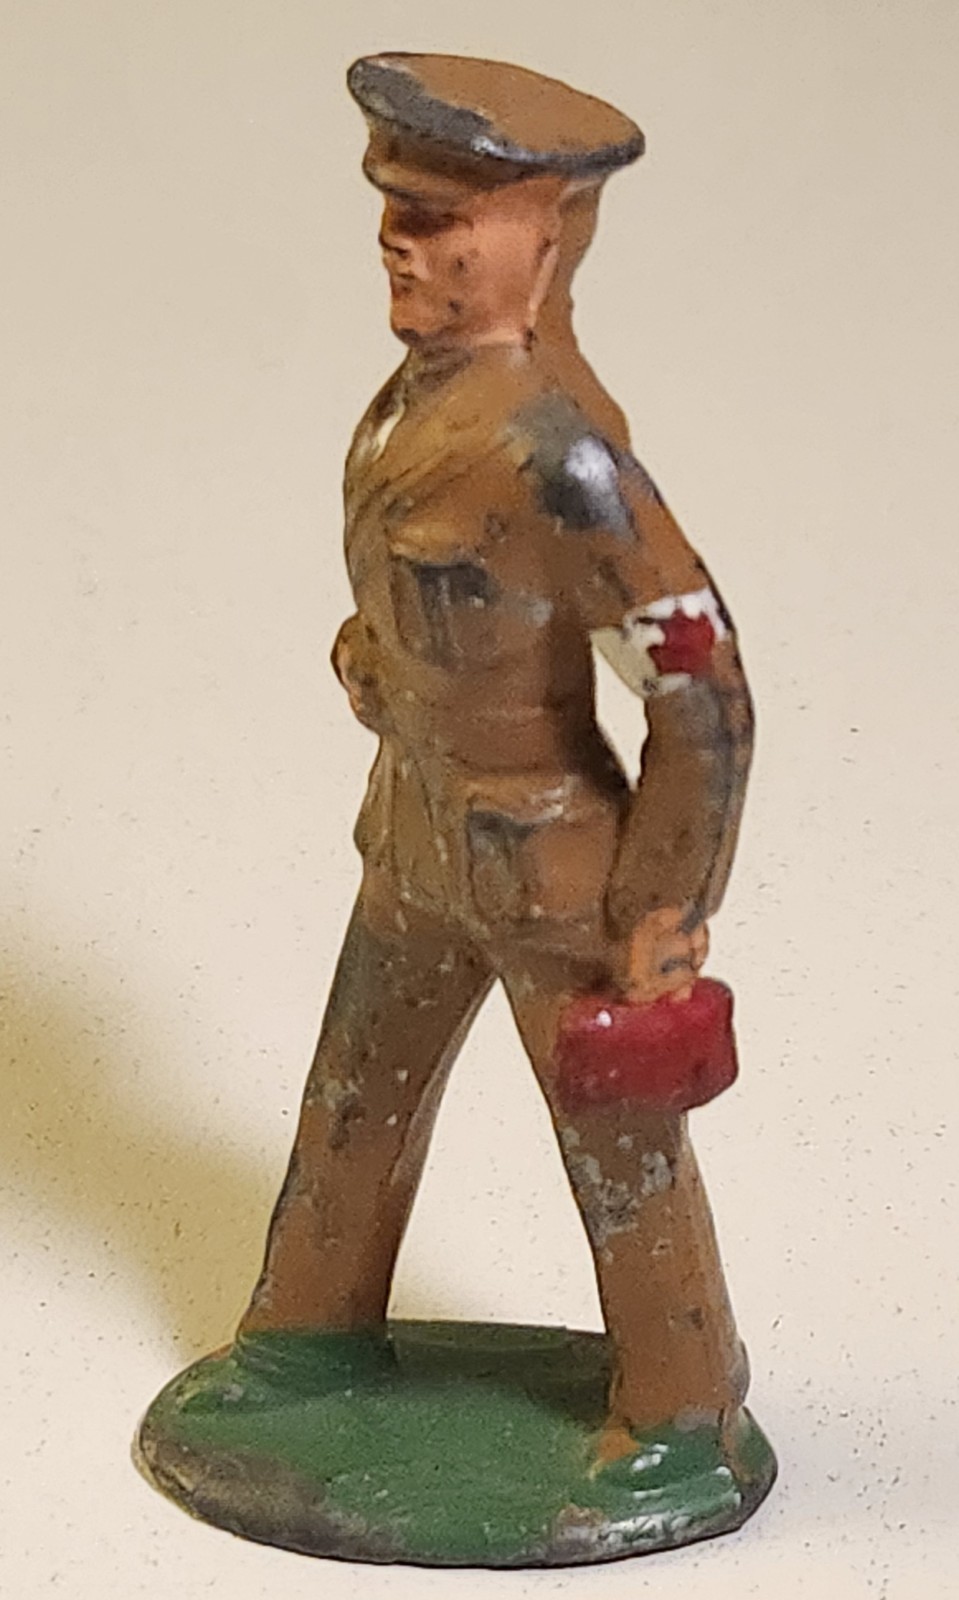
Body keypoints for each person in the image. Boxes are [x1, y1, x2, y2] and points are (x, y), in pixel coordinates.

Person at [238, 52, 755, 1467]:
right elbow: (456, 601)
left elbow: (703, 692)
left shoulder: (563, 457)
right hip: (415, 830)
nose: (400, 243)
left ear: (549, 240)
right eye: (393, 212)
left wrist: (664, 902)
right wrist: (378, 655)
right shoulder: (413, 405)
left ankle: (683, 1410)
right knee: (354, 1097)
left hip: (550, 871)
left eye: (443, 221)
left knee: (618, 1150)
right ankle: (302, 1337)